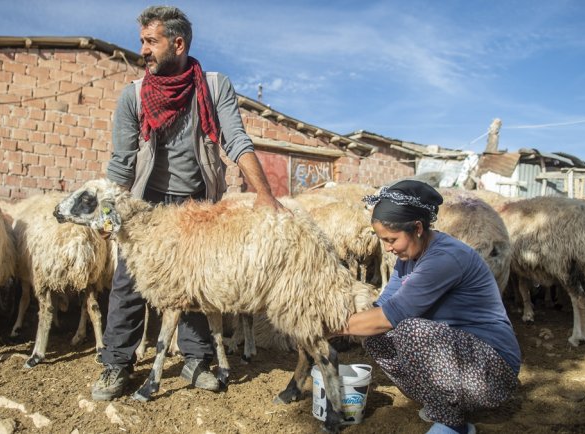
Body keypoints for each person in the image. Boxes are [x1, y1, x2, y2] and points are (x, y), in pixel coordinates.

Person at [92, 5, 286, 401]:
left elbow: (236, 140)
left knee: (197, 283)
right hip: (146, 207)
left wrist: (266, 196)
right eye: (142, 41)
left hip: (196, 203)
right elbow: (122, 163)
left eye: (151, 41)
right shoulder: (133, 96)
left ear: (177, 44)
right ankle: (117, 362)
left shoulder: (213, 87)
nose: (143, 50)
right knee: (129, 281)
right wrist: (109, 215)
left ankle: (196, 360)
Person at [334, 180, 521, 434]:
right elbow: (383, 304)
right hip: (457, 356)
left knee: (411, 331)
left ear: (418, 228)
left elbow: (392, 315)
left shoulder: (445, 258)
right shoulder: (408, 257)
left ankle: (453, 423)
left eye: (392, 239)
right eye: (382, 240)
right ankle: (440, 402)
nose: (387, 248)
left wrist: (329, 327)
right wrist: (346, 318)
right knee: (374, 336)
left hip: (492, 369)